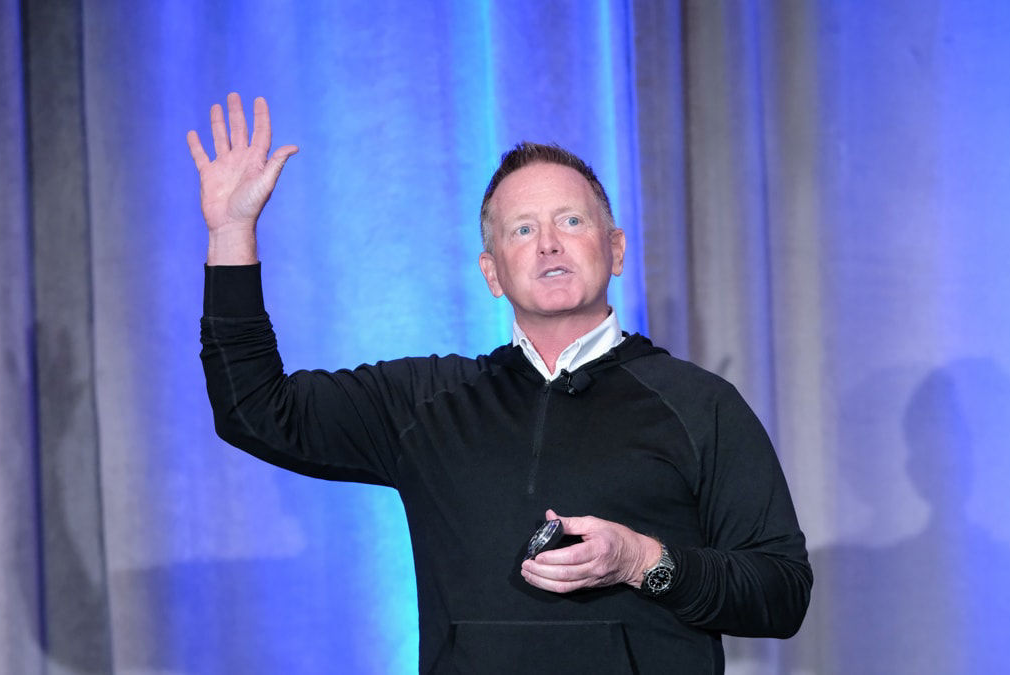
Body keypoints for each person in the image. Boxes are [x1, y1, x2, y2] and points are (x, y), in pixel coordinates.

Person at [189, 93, 811, 674]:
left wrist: (643, 561)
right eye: (522, 230)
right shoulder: (426, 403)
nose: (547, 245)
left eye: (571, 221)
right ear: (492, 274)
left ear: (616, 250)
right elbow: (254, 408)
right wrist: (230, 234)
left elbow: (781, 594)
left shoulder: (700, 405)